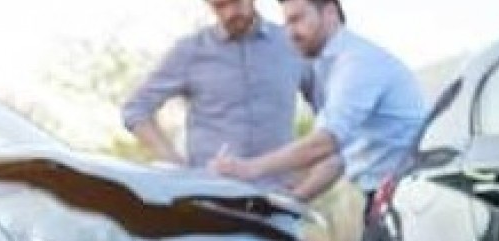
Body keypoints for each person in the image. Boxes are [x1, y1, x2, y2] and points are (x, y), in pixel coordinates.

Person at [209, 0, 427, 208]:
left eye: (297, 19)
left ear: (330, 13)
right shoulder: (329, 68)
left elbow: (324, 143)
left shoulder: (357, 63)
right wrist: (292, 199)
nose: (290, 33)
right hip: (388, 194)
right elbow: (338, 158)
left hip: (411, 195)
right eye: (287, 23)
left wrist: (249, 168)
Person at [121, 0, 307, 176]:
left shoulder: (292, 43)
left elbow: (331, 116)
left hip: (276, 197)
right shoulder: (191, 51)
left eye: (235, 2)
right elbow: (135, 109)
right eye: (219, 6)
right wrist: (177, 166)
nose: (229, 14)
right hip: (210, 195)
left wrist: (306, 184)